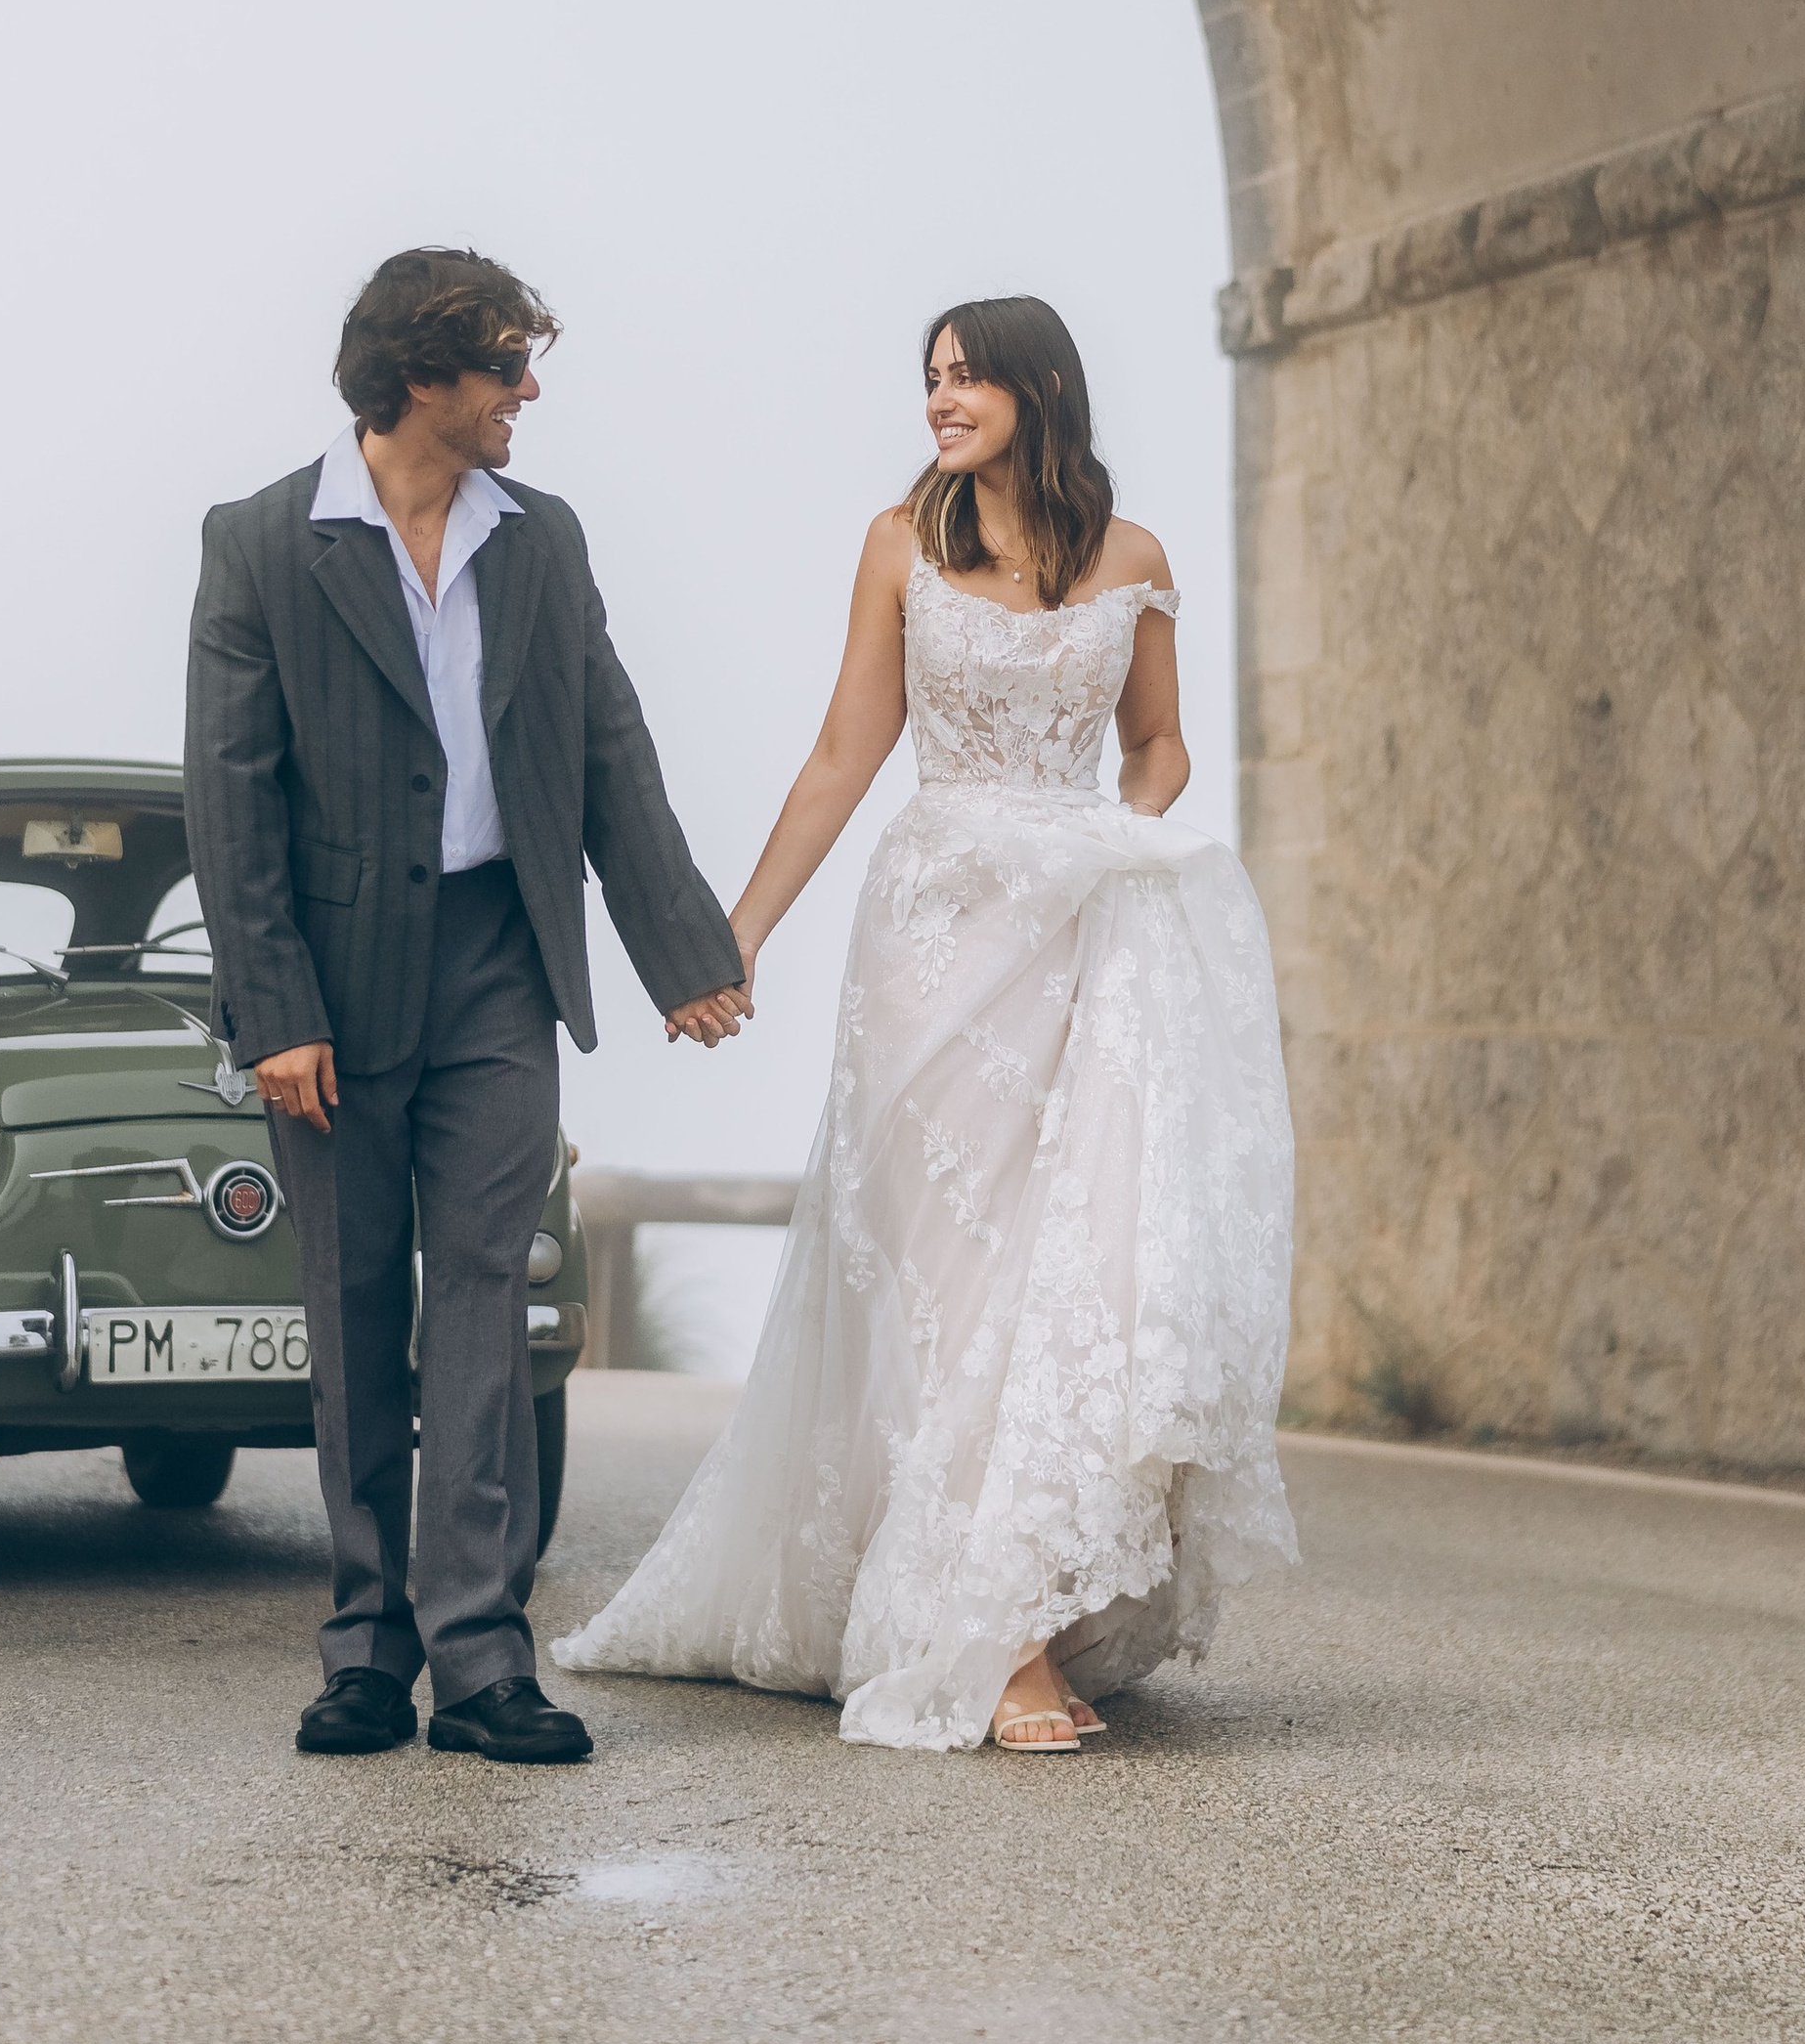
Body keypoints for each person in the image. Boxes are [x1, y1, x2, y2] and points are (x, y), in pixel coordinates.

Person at [553, 295, 1297, 1753]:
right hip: (934, 938)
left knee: (1058, 1274)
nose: (943, 400)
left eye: (968, 378)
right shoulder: (901, 541)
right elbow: (847, 749)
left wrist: (1125, 835)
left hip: (1080, 935)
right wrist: (736, 931)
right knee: (948, 1286)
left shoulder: (1133, 558)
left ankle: (1013, 1620)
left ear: (1040, 386)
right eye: (931, 380)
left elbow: (1159, 741)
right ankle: (986, 1637)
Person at [185, 247, 750, 1767]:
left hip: (500, 959)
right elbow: (228, 804)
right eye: (506, 365)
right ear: (422, 378)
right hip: (335, 985)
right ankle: (366, 1650)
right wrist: (274, 1010)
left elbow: (608, 748)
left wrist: (683, 946)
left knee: (486, 1294)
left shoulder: (544, 541)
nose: (528, 392)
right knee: (359, 1304)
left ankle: (484, 1657)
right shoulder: (259, 544)